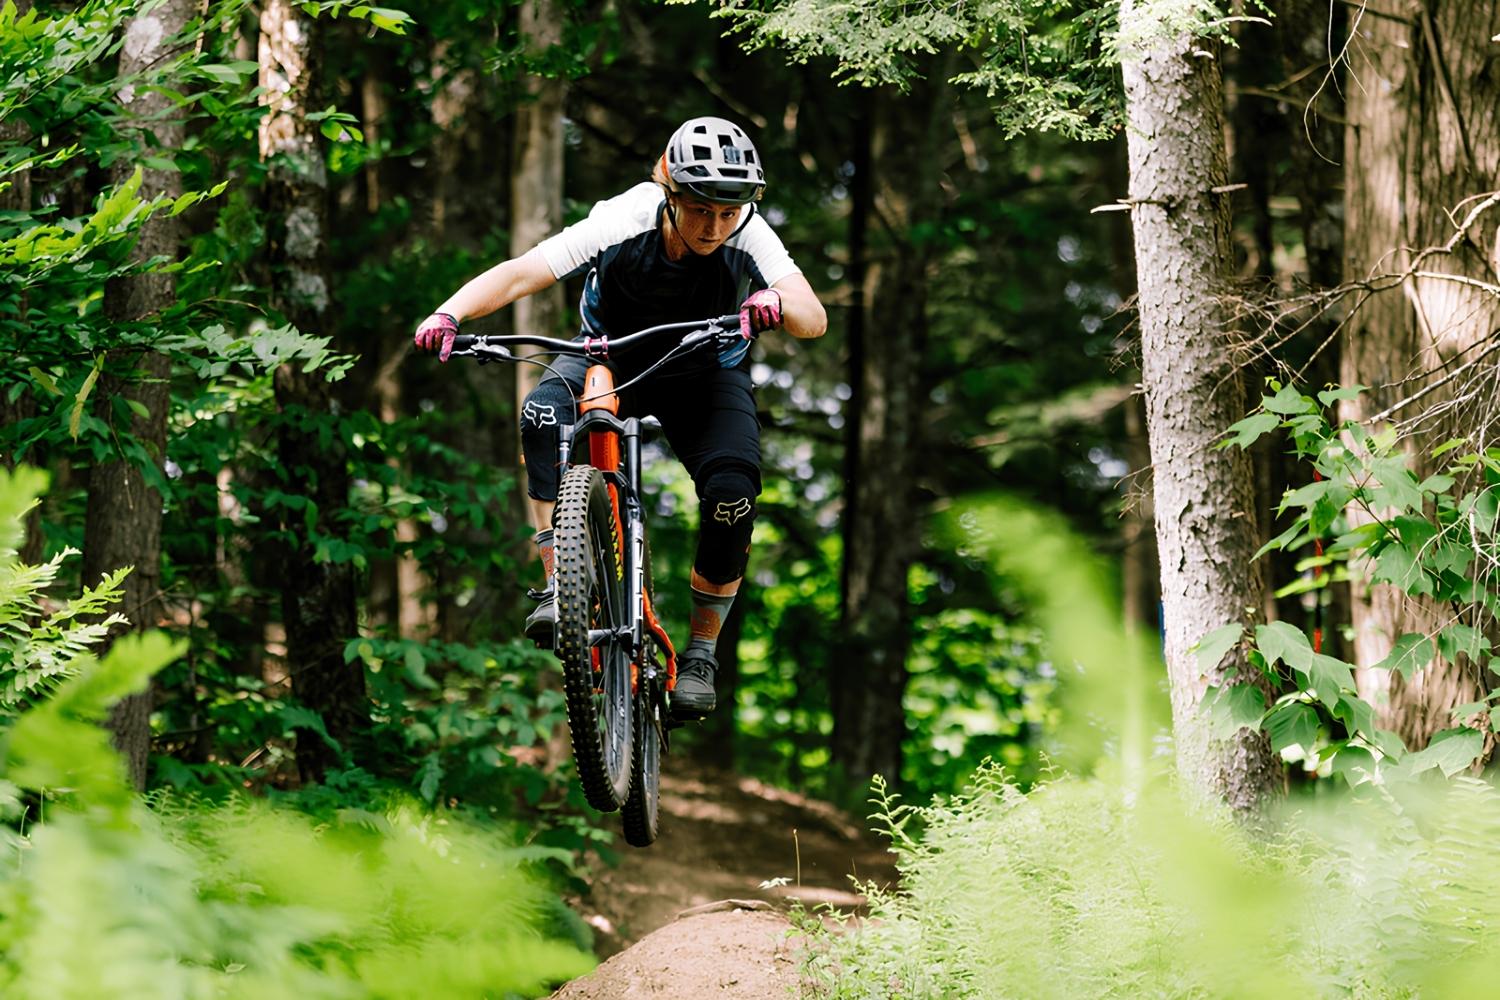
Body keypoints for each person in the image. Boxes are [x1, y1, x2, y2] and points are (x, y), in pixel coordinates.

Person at [412, 116, 827, 719]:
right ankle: (560, 586)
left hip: (704, 375)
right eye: (701, 209)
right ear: (671, 193)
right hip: (609, 359)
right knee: (540, 417)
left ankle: (703, 652)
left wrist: (775, 301)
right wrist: (447, 314)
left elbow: (811, 316)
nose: (715, 226)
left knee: (733, 490)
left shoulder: (748, 231)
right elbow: (528, 270)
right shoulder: (622, 219)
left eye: (728, 213)